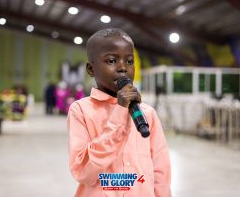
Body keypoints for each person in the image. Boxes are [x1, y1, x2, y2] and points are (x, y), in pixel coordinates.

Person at [67, 28, 171, 197]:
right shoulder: (81, 111)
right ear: (91, 69)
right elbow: (82, 171)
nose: (123, 67)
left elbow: (161, 171)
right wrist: (120, 112)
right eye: (111, 61)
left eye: (129, 61)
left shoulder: (147, 114)